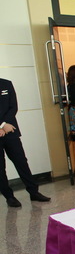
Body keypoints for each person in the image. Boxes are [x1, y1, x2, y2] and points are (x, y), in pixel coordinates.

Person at [0, 78, 51, 207]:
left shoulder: (6, 83)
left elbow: (13, 106)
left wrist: (4, 125)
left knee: (21, 161)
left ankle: (34, 192)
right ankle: (9, 196)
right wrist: (1, 125)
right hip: (3, 128)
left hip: (10, 129)